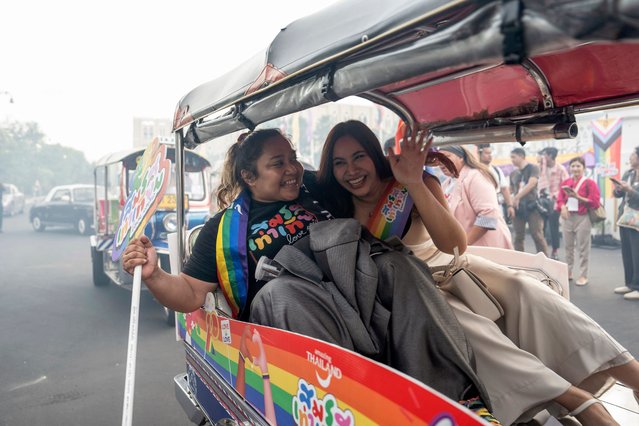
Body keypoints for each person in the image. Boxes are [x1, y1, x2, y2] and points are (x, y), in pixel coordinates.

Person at [121, 128, 495, 420]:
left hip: (355, 281)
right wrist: (154, 275)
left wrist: (412, 175)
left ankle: (460, 401)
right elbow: (188, 292)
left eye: (293, 159)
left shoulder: (316, 187)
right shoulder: (220, 230)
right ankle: (356, 406)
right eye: (278, 163)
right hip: (299, 307)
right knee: (279, 294)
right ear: (249, 176)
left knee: (398, 264)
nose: (292, 169)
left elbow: (366, 181)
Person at [317, 120, 639, 426]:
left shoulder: (411, 182)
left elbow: (454, 245)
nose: (352, 170)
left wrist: (413, 183)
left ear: (374, 156)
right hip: (413, 291)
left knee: (524, 291)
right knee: (468, 329)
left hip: (454, 264)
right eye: (340, 163)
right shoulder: (336, 211)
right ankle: (574, 400)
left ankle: (633, 374)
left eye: (359, 157)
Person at [438, 145, 513, 249]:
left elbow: (488, 216)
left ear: (461, 157)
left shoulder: (476, 176)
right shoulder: (447, 184)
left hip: (485, 246)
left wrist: (464, 244)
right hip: (464, 248)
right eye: (438, 159)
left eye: (446, 157)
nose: (441, 163)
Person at [555, 156, 600, 286]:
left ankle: (583, 275)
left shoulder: (589, 183)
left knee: (583, 248)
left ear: (583, 168)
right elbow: (560, 199)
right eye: (573, 166)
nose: (575, 168)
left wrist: (578, 197)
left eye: (578, 166)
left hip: (583, 217)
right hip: (567, 217)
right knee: (568, 247)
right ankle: (568, 272)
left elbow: (595, 202)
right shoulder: (566, 182)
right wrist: (562, 207)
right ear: (570, 168)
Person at [509, 147, 549, 255]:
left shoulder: (533, 168)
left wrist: (517, 197)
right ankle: (520, 263)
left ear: (522, 156)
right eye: (511, 157)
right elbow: (510, 190)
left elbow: (532, 184)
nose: (512, 160)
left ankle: (545, 261)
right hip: (518, 209)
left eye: (514, 157)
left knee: (537, 235)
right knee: (518, 237)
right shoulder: (513, 174)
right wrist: (510, 204)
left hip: (532, 206)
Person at [612, 146, 639, 300]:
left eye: (633, 155)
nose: (630, 157)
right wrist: (618, 189)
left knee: (637, 253)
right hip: (625, 218)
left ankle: (637, 286)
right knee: (627, 252)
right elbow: (618, 195)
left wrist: (629, 190)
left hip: (637, 220)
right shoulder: (628, 173)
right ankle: (629, 284)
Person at [538, 147, 569, 260]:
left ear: (550, 156)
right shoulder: (542, 167)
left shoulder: (561, 169)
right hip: (541, 199)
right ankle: (543, 251)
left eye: (544, 154)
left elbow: (566, 186)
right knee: (540, 227)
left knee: (553, 227)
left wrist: (557, 196)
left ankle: (555, 250)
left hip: (554, 201)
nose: (543, 157)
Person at [477, 144, 514, 224]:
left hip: (497, 207)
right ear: (478, 154)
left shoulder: (496, 170)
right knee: (485, 230)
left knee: (498, 230)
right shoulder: (474, 170)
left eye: (491, 153)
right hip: (481, 208)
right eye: (487, 153)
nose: (490, 156)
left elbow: (504, 189)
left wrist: (510, 205)